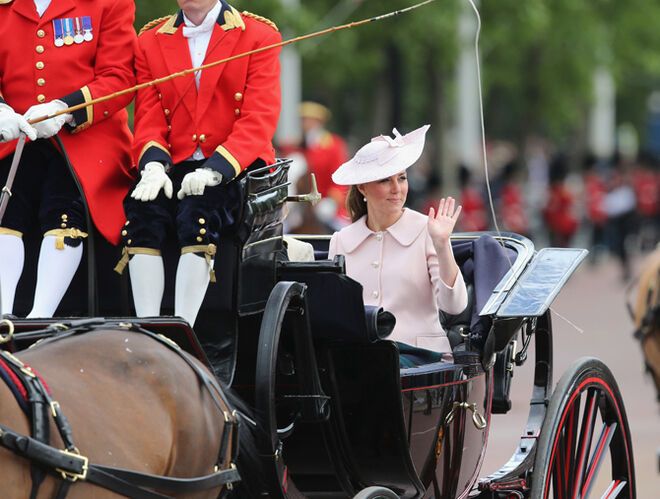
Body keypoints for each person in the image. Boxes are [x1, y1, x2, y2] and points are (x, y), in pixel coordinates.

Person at [117, 0, 281, 327]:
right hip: (174, 163)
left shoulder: (259, 35)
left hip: (235, 163)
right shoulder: (150, 40)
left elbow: (258, 119)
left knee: (198, 211)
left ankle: (183, 330)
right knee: (141, 212)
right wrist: (152, 165)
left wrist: (215, 170)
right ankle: (148, 328)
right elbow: (149, 115)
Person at [0, 0, 136, 317]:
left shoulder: (108, 3)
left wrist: (65, 109)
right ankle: (4, 317)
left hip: (87, 139)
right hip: (16, 137)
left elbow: (120, 77)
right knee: (6, 208)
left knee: (63, 209)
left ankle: (40, 317)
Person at [328, 125, 468, 355]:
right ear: (362, 187)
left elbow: (454, 306)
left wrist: (443, 245)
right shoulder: (341, 241)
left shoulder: (427, 230)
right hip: (359, 362)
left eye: (401, 178)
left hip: (422, 360)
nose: (397, 189)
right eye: (385, 180)